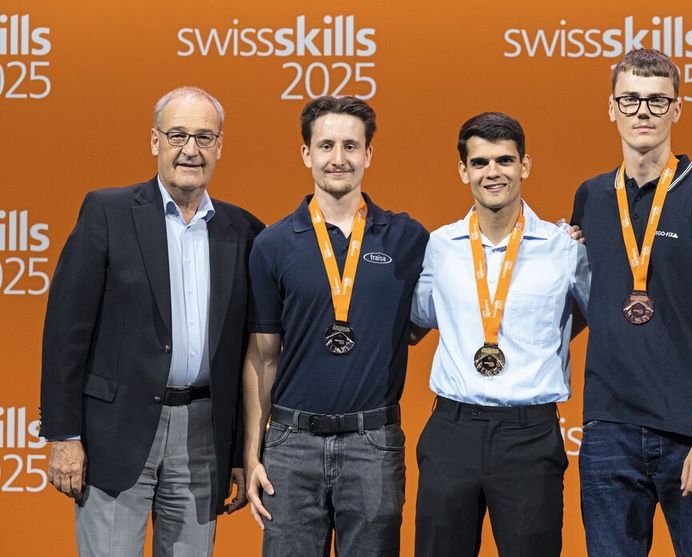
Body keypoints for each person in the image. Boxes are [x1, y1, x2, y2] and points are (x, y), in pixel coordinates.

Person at [39, 86, 263, 556]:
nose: (191, 150)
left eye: (204, 137)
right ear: (154, 141)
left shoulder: (243, 230)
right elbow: (66, 332)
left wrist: (243, 450)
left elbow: (248, 353)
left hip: (203, 436)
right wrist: (64, 436)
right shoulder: (108, 212)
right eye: (178, 134)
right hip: (114, 433)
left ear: (220, 146)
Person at [571, 48, 692, 556]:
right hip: (609, 434)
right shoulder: (589, 197)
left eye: (657, 101)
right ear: (611, 108)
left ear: (678, 108)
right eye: (629, 100)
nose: (643, 113)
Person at [243, 96, 428, 557]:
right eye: (326, 146)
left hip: (373, 444)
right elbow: (262, 356)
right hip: (290, 445)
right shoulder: (273, 243)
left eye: (351, 146)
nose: (338, 159)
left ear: (369, 154)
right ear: (307, 154)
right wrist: (252, 453)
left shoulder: (408, 238)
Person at [411, 112, 590, 557]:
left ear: (525, 166)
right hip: (452, 431)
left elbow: (597, 318)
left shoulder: (564, 248)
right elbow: (416, 319)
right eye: (481, 162)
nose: (493, 172)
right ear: (463, 171)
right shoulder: (440, 246)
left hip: (529, 435)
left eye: (505, 160)